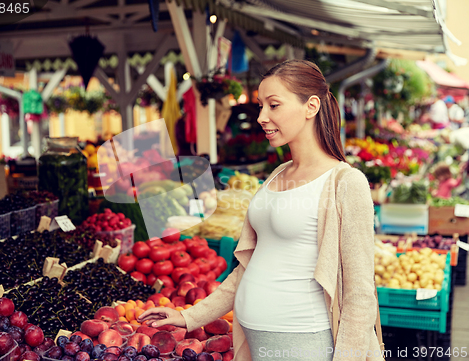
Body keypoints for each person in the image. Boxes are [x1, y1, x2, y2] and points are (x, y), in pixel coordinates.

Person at [138, 60, 383, 361]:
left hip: (304, 343)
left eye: (274, 105)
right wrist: (189, 317)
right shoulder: (278, 174)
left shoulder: (345, 183)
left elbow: (360, 295)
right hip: (254, 340)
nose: (261, 117)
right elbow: (248, 268)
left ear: (312, 106)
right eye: (260, 106)